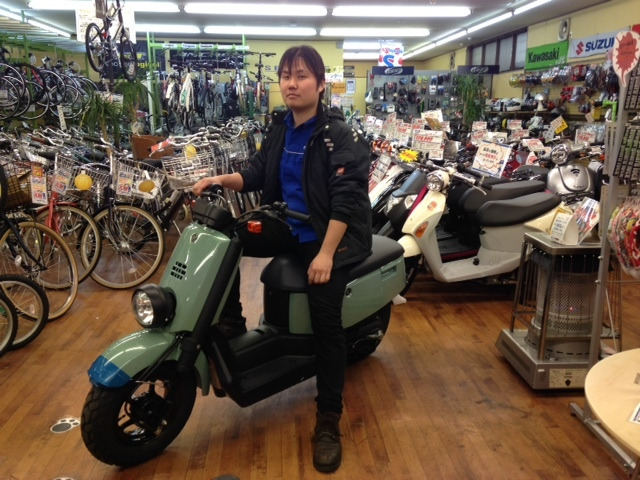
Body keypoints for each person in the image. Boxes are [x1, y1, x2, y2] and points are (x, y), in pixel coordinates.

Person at [192, 45, 372, 474]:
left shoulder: (337, 135)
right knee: (224, 238)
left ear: (321, 84)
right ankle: (231, 324)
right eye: (286, 76)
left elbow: (346, 201)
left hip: (329, 236)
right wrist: (219, 178)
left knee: (327, 323)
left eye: (302, 76)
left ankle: (328, 419)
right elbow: (257, 172)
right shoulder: (280, 127)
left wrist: (325, 254)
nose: (292, 84)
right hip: (287, 224)